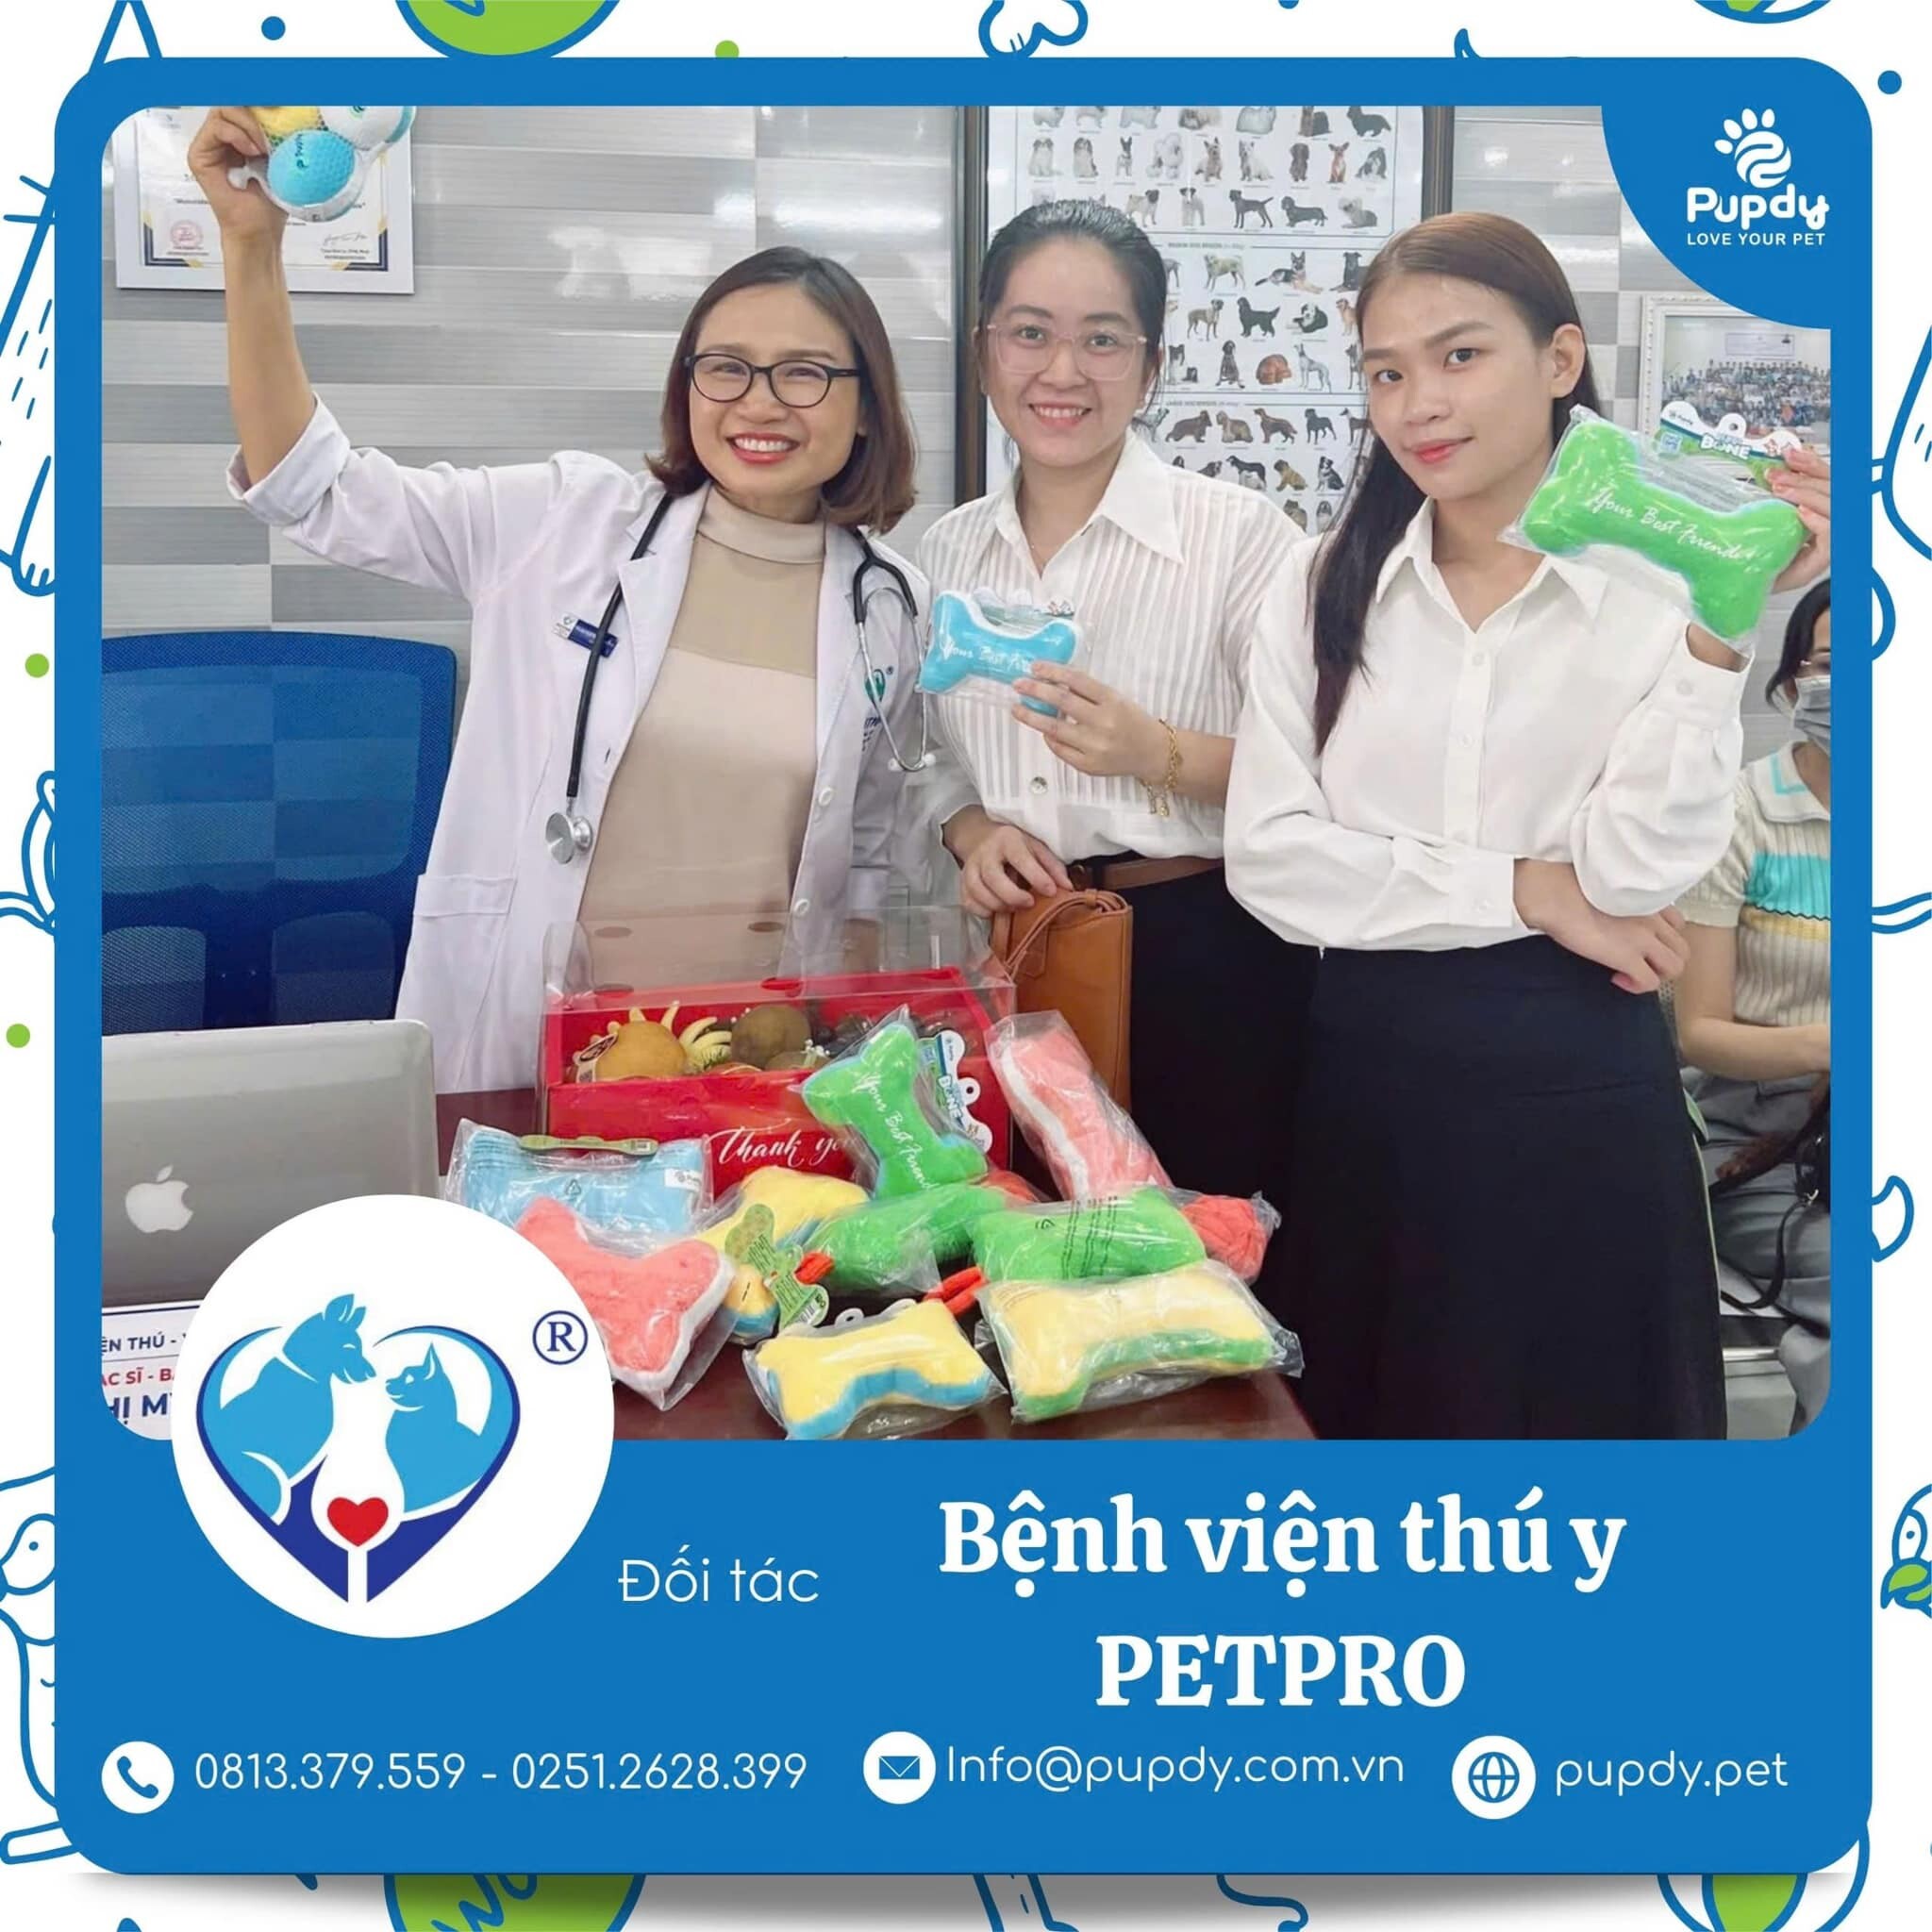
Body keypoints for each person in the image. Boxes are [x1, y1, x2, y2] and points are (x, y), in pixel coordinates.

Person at [1224, 211, 1831, 1440]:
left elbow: (1633, 868)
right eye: (1385, 372)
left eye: (1459, 355)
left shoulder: (1656, 586)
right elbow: (1273, 860)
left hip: (1582, 1087)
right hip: (1368, 1088)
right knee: (1382, 1468)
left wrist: (1721, 627)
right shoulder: (1317, 583)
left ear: (1560, 360)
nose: (1418, 404)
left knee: (1591, 1470)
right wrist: (1524, 888)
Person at [190, 108, 925, 1092]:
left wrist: (844, 1057)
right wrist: (251, 247)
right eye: (725, 368)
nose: (758, 402)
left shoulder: (891, 603)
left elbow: (865, 855)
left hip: (752, 1056)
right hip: (538, 1030)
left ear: (866, 405)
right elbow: (310, 488)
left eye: (804, 374)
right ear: (687, 386)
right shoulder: (562, 520)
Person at [915, 199, 1312, 1207]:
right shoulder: (945, 552)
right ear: (984, 352)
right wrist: (967, 827)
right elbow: (922, 747)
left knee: (1208, 1260)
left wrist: (1153, 750)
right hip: (1014, 948)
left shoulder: (1241, 539)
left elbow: (1326, 768)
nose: (1061, 371)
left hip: (1205, 958)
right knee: (1020, 1242)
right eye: (1029, 333)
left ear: (1150, 366)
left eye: (1101, 340)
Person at [1675, 579, 1831, 1431]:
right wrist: (1833, 1047)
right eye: (1831, 662)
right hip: (1762, 1148)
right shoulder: (1739, 814)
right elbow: (1700, 1032)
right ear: (1789, 680)